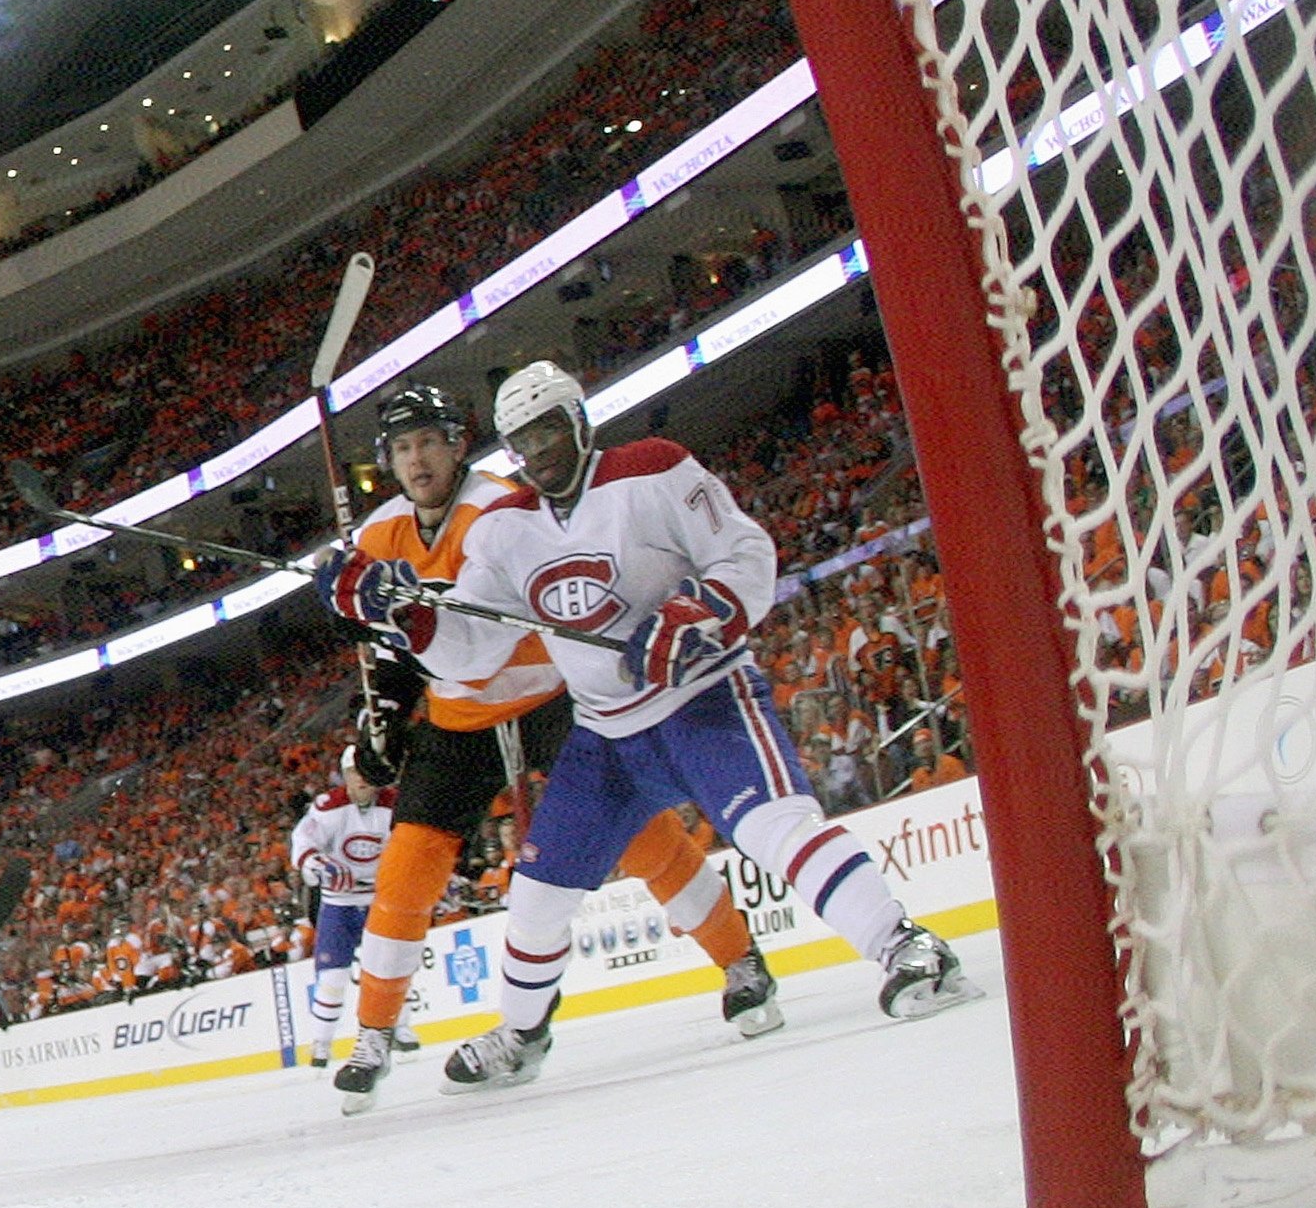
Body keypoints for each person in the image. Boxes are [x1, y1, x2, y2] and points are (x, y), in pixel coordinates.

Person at [413, 359, 984, 1092]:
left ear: (581, 422)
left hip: (704, 700)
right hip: (605, 736)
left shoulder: (655, 470)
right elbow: (470, 653)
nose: (542, 451)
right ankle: (522, 1032)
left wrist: (700, 611)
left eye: (551, 429)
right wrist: (412, 619)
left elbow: (745, 554)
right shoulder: (501, 533)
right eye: (525, 442)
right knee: (536, 893)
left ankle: (910, 948)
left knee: (779, 828)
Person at [317, 383, 777, 1108]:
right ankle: (374, 1034)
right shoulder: (378, 535)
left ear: (458, 444)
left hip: (551, 692)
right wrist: (379, 710)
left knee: (644, 836)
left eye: (430, 442)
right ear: (388, 462)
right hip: (459, 716)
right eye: (404, 449)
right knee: (407, 867)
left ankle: (740, 961)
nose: (419, 460)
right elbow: (393, 650)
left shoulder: (502, 508)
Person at [282, 751, 388, 1065]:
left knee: (386, 968)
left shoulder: (395, 805)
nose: (362, 779)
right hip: (338, 902)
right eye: (355, 772)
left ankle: (399, 1028)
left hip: (378, 899)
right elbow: (302, 840)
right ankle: (321, 1042)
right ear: (345, 775)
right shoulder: (329, 807)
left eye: (368, 772)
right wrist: (315, 862)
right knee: (333, 977)